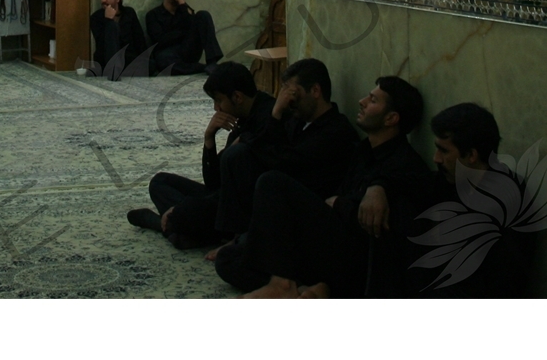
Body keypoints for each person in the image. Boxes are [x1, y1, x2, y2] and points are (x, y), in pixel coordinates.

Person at [221, 74, 435, 298]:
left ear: (391, 118)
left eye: (372, 100)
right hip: (332, 245)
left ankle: (284, 284)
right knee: (230, 260)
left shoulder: (403, 163)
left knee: (272, 183)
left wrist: (343, 202)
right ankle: (312, 288)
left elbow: (373, 229)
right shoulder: (364, 151)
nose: (362, 101)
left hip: (355, 260)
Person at [207, 57, 361, 275]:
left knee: (228, 259)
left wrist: (276, 115)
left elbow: (282, 164)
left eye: (293, 94)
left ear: (315, 91)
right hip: (274, 210)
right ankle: (236, 236)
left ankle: (246, 244)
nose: (289, 101)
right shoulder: (297, 121)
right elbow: (268, 152)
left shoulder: (335, 131)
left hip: (305, 219)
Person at [126, 62, 274, 248]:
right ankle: (181, 229)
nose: (216, 108)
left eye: (219, 101)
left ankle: (166, 225)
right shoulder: (241, 118)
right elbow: (214, 182)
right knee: (159, 182)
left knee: (184, 214)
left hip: (240, 206)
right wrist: (209, 138)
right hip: (220, 196)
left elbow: (234, 190)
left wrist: (182, 208)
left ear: (237, 97)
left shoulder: (267, 119)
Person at [412, 102, 536, 298]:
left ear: (471, 155)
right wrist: (378, 187)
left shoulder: (507, 202)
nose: (436, 158)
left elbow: (503, 281)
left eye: (443, 151)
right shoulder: (449, 181)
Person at [143, 0, 223, 75]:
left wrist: (182, 5)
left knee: (203, 15)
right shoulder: (153, 15)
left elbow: (194, 29)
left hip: (187, 49)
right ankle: (202, 67)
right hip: (168, 53)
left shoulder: (185, 10)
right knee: (163, 62)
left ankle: (212, 63)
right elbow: (159, 40)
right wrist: (183, 33)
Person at [89, 0, 147, 78]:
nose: (103, 0)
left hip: (128, 58)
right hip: (107, 60)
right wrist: (109, 21)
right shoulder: (96, 18)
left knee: (150, 65)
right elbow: (102, 44)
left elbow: (139, 39)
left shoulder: (129, 13)